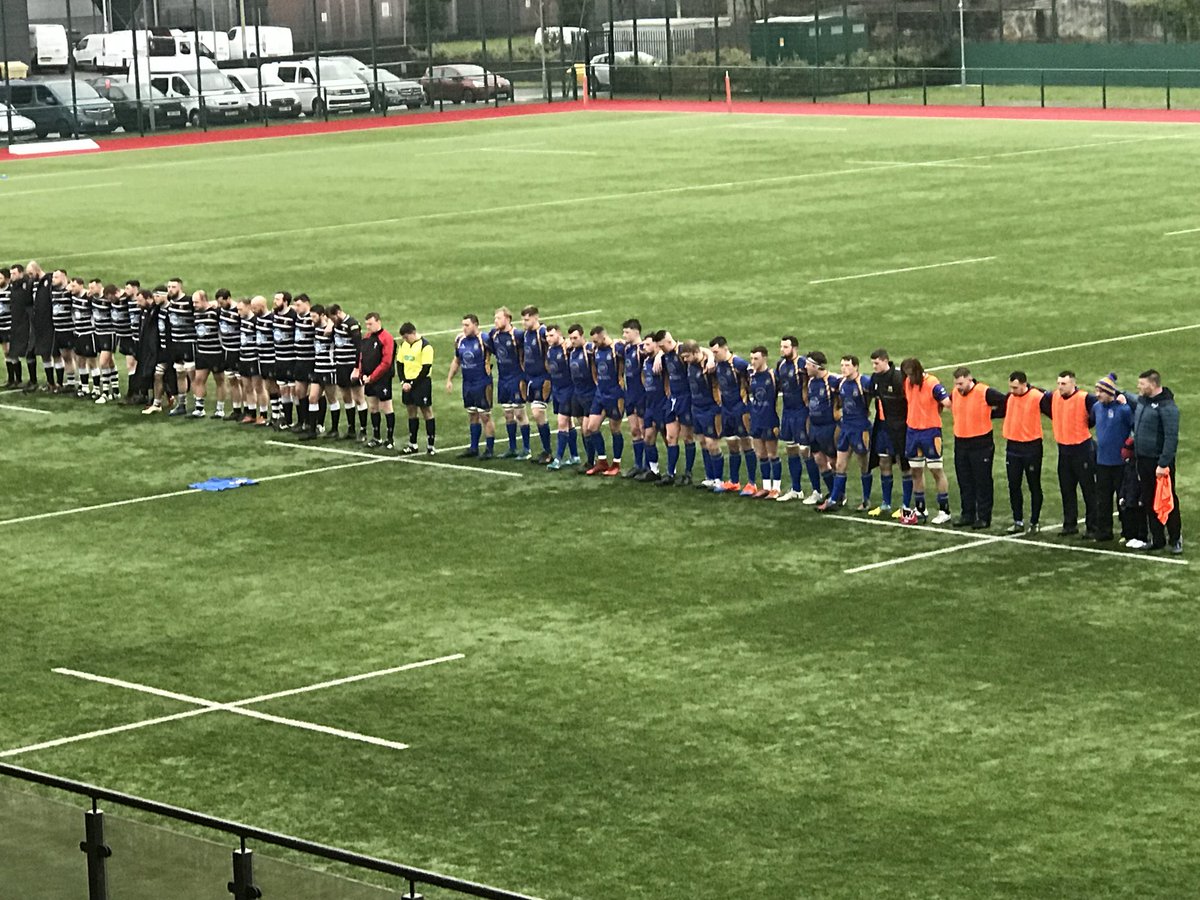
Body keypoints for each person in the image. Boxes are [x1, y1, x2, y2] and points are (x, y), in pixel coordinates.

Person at [1119, 370, 1182, 553]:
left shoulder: (1167, 407)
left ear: (1153, 385)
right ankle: (1157, 538)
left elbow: (1171, 438)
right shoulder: (1143, 401)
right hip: (1143, 460)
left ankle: (1175, 538)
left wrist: (1163, 463)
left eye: (1142, 384)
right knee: (1149, 499)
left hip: (1159, 462)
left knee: (1167, 500)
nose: (1139, 387)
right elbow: (1132, 399)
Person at [1039, 370, 1099, 538]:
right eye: (1058, 383)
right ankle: (1069, 524)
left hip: (1083, 450)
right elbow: (1043, 402)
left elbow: (1096, 413)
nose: (1060, 387)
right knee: (1067, 489)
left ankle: (1092, 526)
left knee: (1089, 491)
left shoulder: (1085, 398)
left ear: (1073, 383)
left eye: (1063, 384)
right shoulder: (1054, 397)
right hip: (1064, 451)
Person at [946, 367, 1006, 528]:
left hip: (981, 443)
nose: (958, 387)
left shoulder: (985, 392)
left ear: (969, 379)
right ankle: (968, 514)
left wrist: (992, 414)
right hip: (961, 442)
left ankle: (984, 517)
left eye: (961, 383)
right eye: (956, 383)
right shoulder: (956, 393)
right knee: (964, 481)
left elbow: (1006, 402)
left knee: (982, 481)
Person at [899, 357, 953, 525]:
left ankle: (944, 510)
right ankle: (921, 508)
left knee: (936, 470)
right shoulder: (908, 382)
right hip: (913, 431)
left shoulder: (932, 383)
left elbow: (947, 402)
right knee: (916, 471)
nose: (909, 377)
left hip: (930, 432)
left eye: (911, 373)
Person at [818, 355, 873, 512]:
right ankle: (834, 499)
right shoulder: (841, 382)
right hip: (845, 428)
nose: (843, 368)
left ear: (856, 367)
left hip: (860, 428)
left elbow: (876, 396)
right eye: (842, 365)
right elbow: (836, 397)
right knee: (840, 464)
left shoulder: (864, 382)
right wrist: (837, 410)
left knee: (863, 465)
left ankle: (866, 499)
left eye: (847, 365)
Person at [998, 372, 1045, 535]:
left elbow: (1053, 407)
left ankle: (1034, 521)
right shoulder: (1010, 397)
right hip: (1013, 446)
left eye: (1015, 387)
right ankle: (1018, 520)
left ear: (1024, 384)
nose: (1012, 390)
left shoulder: (1036, 396)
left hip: (1031, 446)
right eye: (1010, 387)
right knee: (1013, 485)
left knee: (1034, 485)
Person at [866, 349, 911, 517]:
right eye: (873, 363)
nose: (874, 366)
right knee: (884, 461)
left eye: (876, 363)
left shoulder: (899, 378)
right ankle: (886, 503)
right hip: (883, 427)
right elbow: (871, 396)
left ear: (885, 361)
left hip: (899, 428)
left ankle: (906, 505)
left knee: (902, 463)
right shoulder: (875, 378)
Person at [1090, 373, 1134, 544]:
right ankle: (1104, 531)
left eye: (1100, 391)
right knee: (1103, 499)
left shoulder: (1124, 410)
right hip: (1102, 462)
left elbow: (1133, 428)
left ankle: (1127, 531)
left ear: (1109, 392)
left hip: (1120, 463)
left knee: (1122, 499)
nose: (1097, 394)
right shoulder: (1096, 407)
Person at [774, 336, 818, 503]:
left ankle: (816, 491)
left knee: (806, 451)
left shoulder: (803, 365)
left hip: (801, 412)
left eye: (785, 347)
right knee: (791, 449)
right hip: (787, 412)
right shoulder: (781, 365)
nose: (782, 350)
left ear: (795, 348)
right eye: (781, 347)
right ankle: (796, 489)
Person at [445, 313, 495, 458]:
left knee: (485, 416)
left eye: (467, 325)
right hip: (467, 383)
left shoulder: (484, 339)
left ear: (475, 325)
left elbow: (500, 352)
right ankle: (473, 448)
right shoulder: (460, 339)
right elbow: (456, 360)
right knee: (472, 414)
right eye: (463, 325)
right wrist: (449, 379)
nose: (464, 328)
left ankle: (489, 449)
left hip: (483, 382)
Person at [710, 336, 755, 494]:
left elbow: (753, 379)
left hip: (740, 408)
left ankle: (752, 483)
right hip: (726, 409)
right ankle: (734, 481)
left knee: (746, 443)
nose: (714, 355)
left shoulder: (738, 364)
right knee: (731, 444)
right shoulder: (717, 364)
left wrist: (749, 403)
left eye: (716, 352)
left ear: (724, 348)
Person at [487, 307, 530, 459]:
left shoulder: (517, 335)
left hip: (517, 378)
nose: (495, 321)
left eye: (498, 318)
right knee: (507, 414)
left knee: (519, 413)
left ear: (508, 319)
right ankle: (512, 448)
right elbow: (490, 349)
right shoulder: (494, 334)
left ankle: (526, 449)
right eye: (495, 318)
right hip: (503, 379)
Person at [679, 339, 722, 489]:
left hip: (710, 408)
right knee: (703, 442)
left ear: (696, 353)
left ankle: (719, 479)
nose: (685, 360)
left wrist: (710, 357)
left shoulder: (709, 365)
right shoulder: (691, 363)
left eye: (687, 357)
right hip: (696, 407)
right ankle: (709, 477)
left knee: (712, 443)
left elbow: (711, 355)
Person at [585, 325, 625, 476]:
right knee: (592, 427)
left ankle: (616, 463)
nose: (594, 344)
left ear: (603, 337)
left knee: (615, 428)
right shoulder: (593, 350)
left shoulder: (617, 349)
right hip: (600, 393)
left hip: (615, 394)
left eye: (596, 341)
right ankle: (602, 461)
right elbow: (594, 366)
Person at [658, 331, 695, 486]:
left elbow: (701, 351)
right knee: (670, 437)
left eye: (662, 346)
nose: (661, 349)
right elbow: (667, 374)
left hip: (686, 398)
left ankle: (688, 473)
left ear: (668, 341)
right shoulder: (665, 355)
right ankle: (670, 473)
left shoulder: (682, 351)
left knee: (687, 437)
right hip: (673, 398)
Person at [745, 346, 781, 499]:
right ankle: (766, 487)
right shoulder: (751, 375)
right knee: (761, 454)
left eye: (756, 359)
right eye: (752, 358)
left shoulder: (772, 376)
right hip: (756, 419)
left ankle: (776, 488)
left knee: (772, 454)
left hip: (769, 419)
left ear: (764, 358)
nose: (753, 362)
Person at [544, 323, 580, 470]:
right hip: (557, 389)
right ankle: (574, 456)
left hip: (568, 390)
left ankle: (558, 459)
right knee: (569, 423)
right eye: (546, 336)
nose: (548, 338)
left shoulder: (567, 347)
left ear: (559, 334)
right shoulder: (550, 350)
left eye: (551, 335)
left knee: (562, 422)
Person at [357, 312, 396, 449]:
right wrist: (362, 373)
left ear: (378, 322)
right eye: (366, 324)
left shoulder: (387, 338)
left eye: (370, 324)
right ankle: (376, 436)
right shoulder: (366, 338)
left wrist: (372, 377)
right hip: (368, 378)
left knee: (386, 407)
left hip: (382, 378)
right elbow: (362, 357)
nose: (368, 327)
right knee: (373, 407)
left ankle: (390, 438)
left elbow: (386, 362)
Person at [299, 304, 337, 440]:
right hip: (317, 368)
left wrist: (331, 324)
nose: (312, 319)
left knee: (332, 398)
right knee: (312, 398)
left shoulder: (331, 329)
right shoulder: (314, 327)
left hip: (329, 368)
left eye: (314, 316)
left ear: (322, 316)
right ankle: (312, 430)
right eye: (311, 316)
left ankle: (334, 428)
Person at [520, 306, 553, 464]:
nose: (524, 322)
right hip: (531, 378)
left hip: (543, 378)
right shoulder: (527, 334)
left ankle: (549, 452)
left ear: (535, 317)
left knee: (537, 412)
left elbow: (555, 346)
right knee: (539, 414)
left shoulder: (543, 332)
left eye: (526, 319)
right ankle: (547, 451)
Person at [397, 322, 436, 455]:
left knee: (427, 411)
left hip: (422, 383)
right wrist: (403, 382)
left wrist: (412, 384)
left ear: (413, 333)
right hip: (408, 384)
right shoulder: (404, 345)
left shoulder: (426, 346)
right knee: (411, 411)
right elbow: (399, 364)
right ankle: (412, 444)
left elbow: (425, 369)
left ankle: (431, 445)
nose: (405, 340)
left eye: (406, 337)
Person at [565, 324, 599, 471]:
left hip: (590, 394)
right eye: (571, 338)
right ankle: (590, 460)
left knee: (587, 429)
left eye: (575, 338)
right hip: (577, 394)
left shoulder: (590, 350)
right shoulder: (571, 351)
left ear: (582, 336)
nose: (573, 341)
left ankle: (594, 460)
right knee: (582, 429)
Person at [633, 330, 666, 481]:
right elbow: (643, 377)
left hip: (662, 403)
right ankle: (654, 470)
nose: (644, 347)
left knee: (668, 438)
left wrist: (660, 354)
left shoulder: (663, 359)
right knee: (648, 437)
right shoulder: (646, 361)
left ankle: (672, 472)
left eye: (648, 344)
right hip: (650, 404)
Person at [330, 303, 366, 440]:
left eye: (333, 318)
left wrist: (357, 368)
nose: (332, 321)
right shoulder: (336, 325)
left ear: (338, 313)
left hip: (352, 365)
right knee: (346, 396)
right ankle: (351, 428)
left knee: (358, 398)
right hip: (341, 365)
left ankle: (362, 430)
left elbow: (359, 348)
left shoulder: (352, 324)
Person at [166, 277, 196, 416]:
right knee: (179, 373)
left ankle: (198, 405)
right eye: (169, 287)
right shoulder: (170, 302)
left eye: (173, 287)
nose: (170, 289)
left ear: (180, 288)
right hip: (176, 343)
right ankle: (182, 404)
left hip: (188, 343)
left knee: (192, 374)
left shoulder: (189, 301)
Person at [191, 290, 222, 418]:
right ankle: (199, 408)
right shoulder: (196, 313)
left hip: (215, 353)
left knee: (219, 380)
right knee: (199, 379)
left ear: (204, 300)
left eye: (196, 302)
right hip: (202, 352)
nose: (194, 305)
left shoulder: (215, 313)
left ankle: (220, 409)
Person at [272, 291, 297, 429]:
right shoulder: (274, 315)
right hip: (279, 358)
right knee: (283, 389)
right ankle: (287, 420)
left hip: (291, 358)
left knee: (293, 390)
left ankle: (299, 419)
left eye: (278, 299)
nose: (275, 301)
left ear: (285, 301)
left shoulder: (293, 315)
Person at [215, 289, 241, 420]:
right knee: (232, 381)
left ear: (228, 299)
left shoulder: (238, 311)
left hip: (237, 351)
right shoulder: (221, 310)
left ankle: (248, 410)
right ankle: (236, 409)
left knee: (242, 382)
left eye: (222, 302)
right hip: (226, 350)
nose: (220, 305)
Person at [290, 293, 314, 432]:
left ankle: (316, 423)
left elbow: (326, 321)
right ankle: (302, 420)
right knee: (299, 391)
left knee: (315, 393)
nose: (297, 308)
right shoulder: (296, 316)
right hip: (299, 359)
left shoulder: (313, 316)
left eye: (299, 305)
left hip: (311, 359)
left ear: (307, 303)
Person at [48, 269, 74, 394]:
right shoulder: (53, 291)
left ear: (64, 278)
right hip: (56, 329)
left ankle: (71, 382)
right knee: (57, 355)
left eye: (56, 277)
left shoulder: (69, 292)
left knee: (68, 356)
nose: (53, 279)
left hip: (67, 329)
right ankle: (60, 382)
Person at [7, 264, 32, 389]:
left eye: (14, 273)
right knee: (13, 352)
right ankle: (17, 380)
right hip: (15, 323)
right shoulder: (12, 286)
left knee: (28, 352)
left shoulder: (27, 285)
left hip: (25, 323)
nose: (12, 276)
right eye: (11, 274)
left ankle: (33, 380)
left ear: (21, 273)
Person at [0, 269, 13, 388]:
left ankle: (15, 378)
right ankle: (10, 378)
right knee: (5, 353)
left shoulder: (11, 291)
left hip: (9, 326)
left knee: (11, 352)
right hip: (0, 327)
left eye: (0, 278)